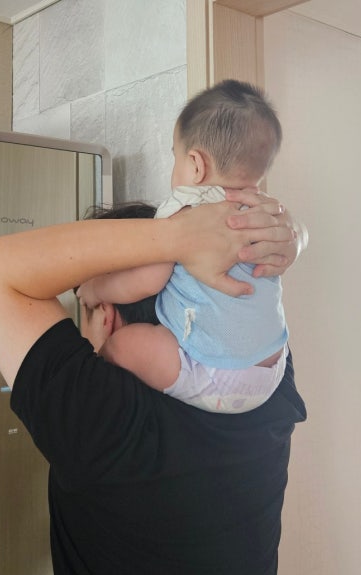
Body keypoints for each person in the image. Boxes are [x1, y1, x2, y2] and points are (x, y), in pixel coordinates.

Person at [0, 188, 307, 575]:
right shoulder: (265, 382)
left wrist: (177, 238)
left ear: (105, 314)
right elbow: (246, 315)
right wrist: (281, 234)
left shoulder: (103, 422)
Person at [77, 80, 296, 415]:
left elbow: (146, 281)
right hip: (272, 366)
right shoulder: (266, 213)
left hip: (214, 373)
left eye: (174, 157)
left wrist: (95, 289)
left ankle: (102, 372)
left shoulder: (185, 212)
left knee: (124, 345)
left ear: (196, 164)